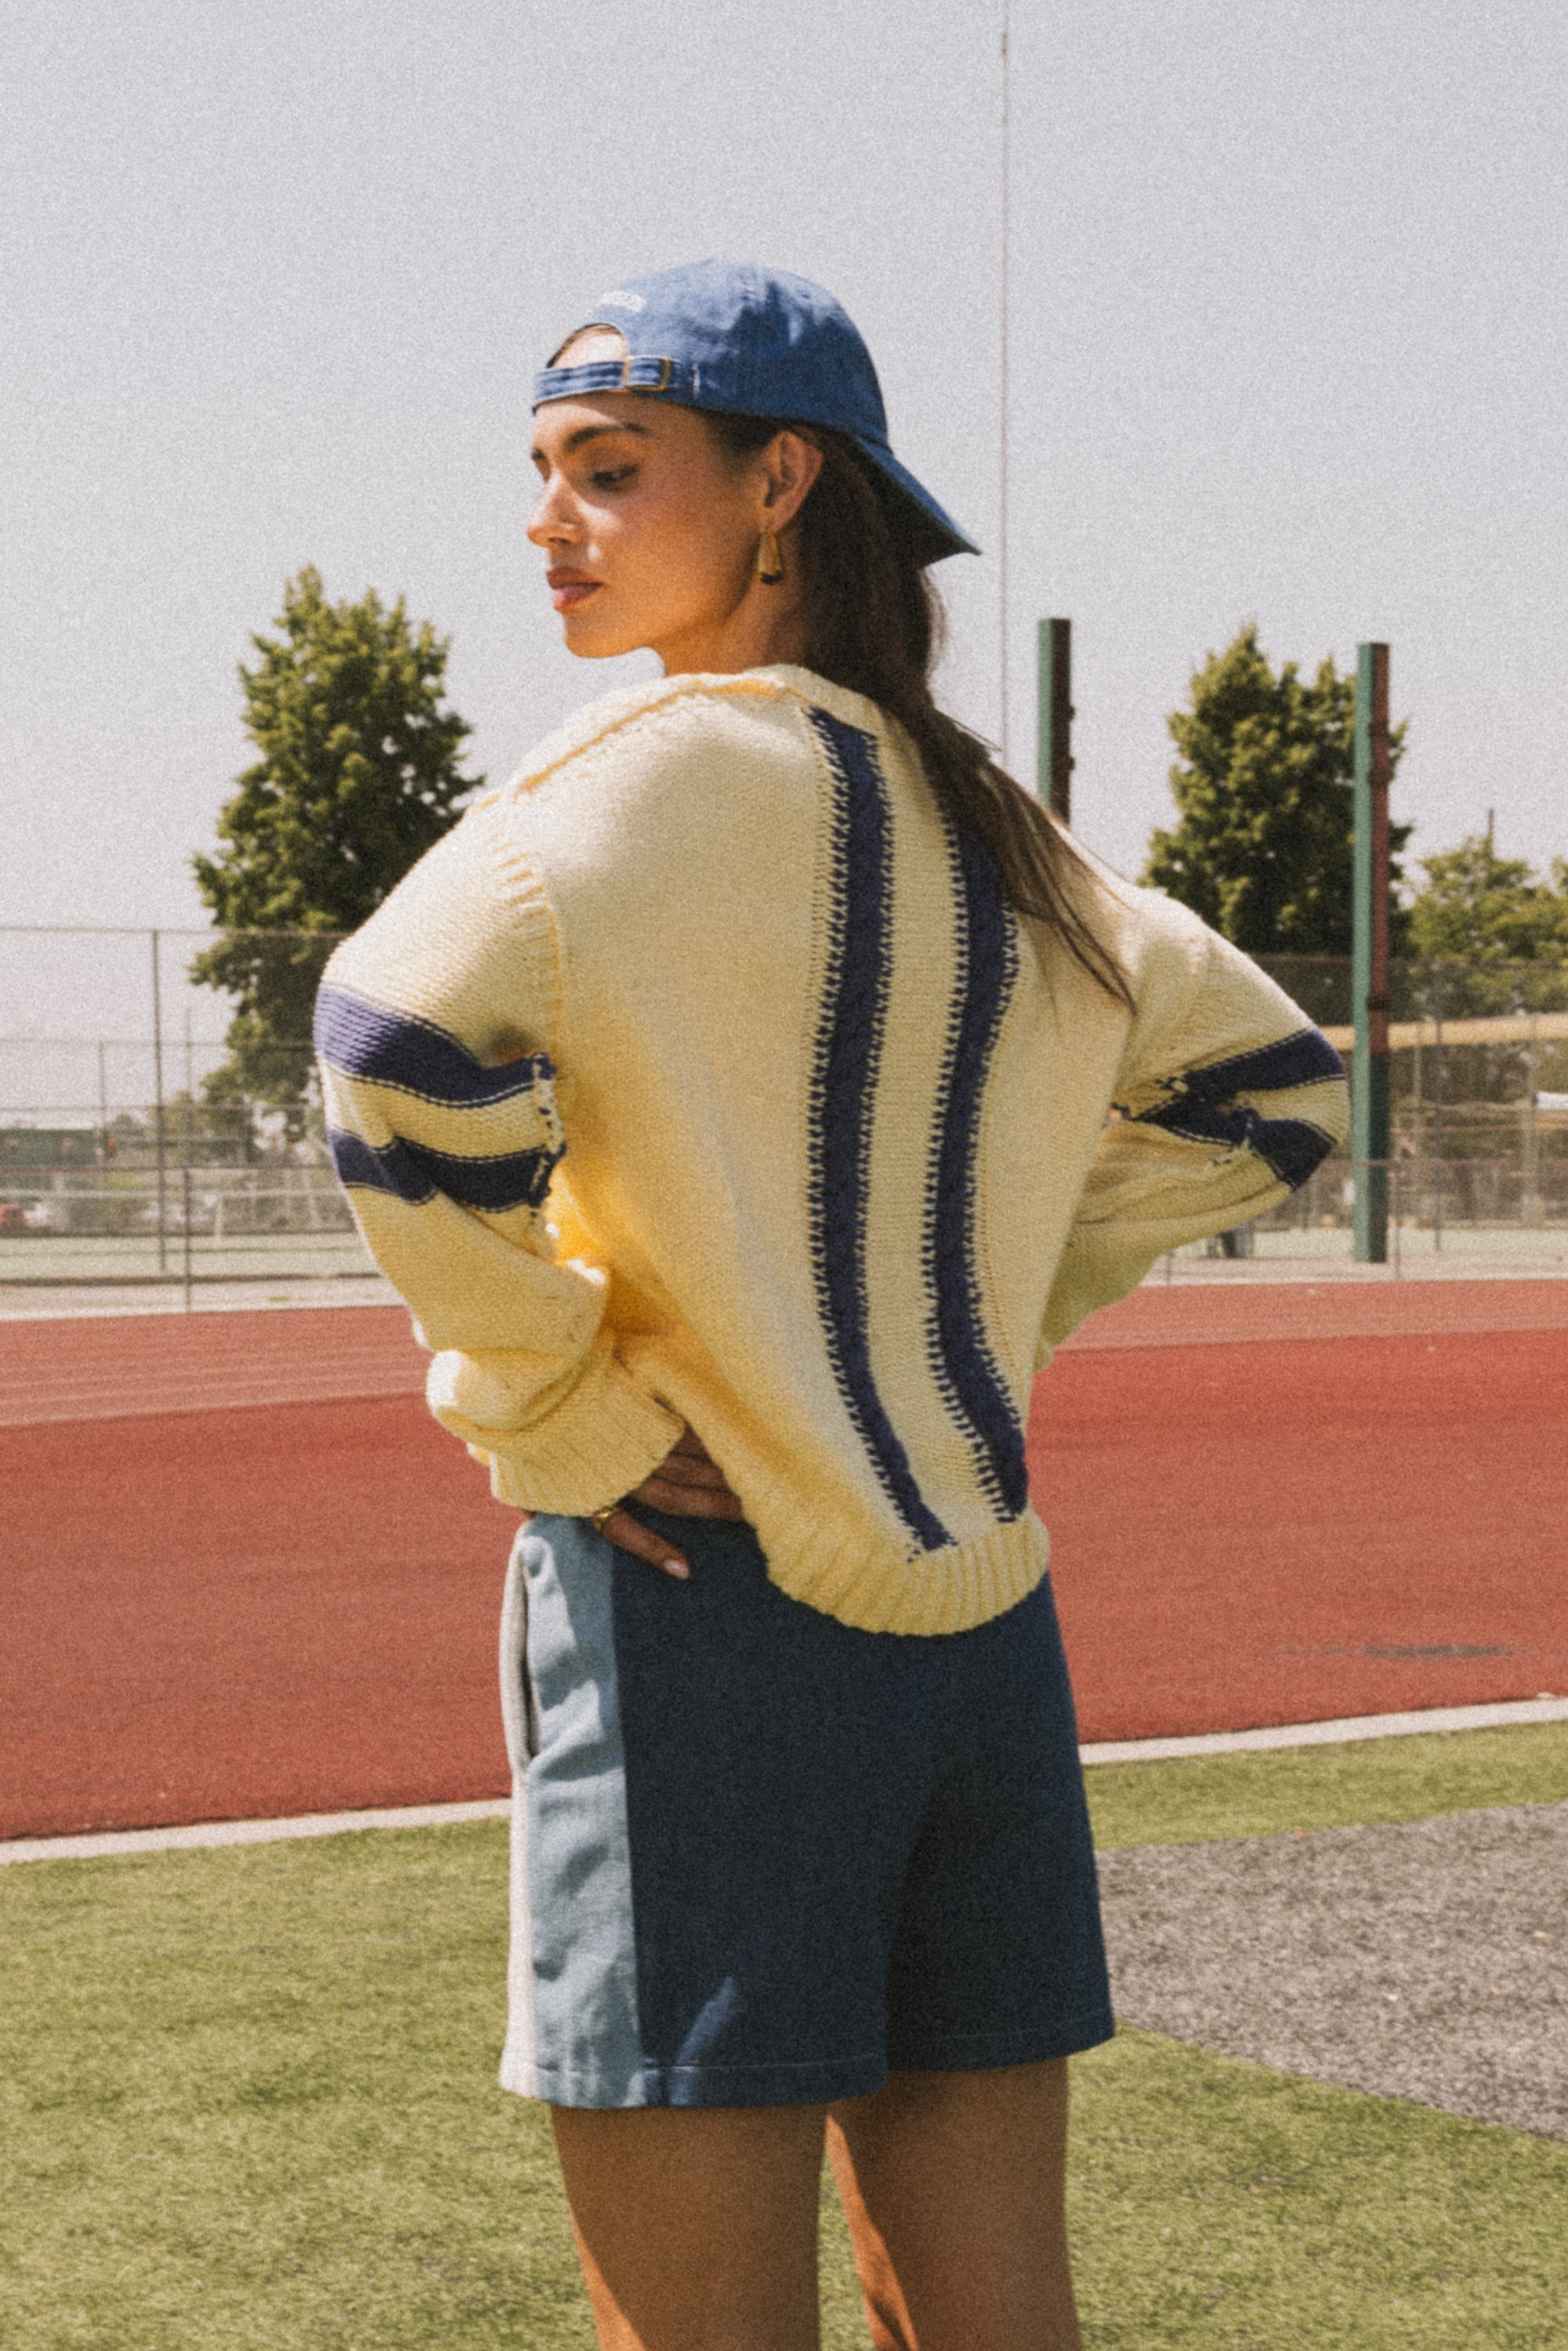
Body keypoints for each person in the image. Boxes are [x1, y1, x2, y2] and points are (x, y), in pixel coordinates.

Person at [315, 259, 1348, 2351]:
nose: (547, 521)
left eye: (609, 469)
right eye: (544, 470)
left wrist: (561, 1402)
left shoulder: (618, 784)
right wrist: (966, 1313)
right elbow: (1278, 1096)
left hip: (708, 1611)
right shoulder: (1006, 832)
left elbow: (390, 1044)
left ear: (782, 483)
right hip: (982, 1622)